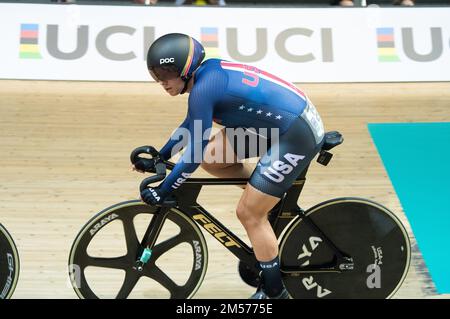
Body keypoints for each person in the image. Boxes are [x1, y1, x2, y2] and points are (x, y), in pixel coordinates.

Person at [136, 33, 325, 299]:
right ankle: (266, 196)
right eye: (157, 75)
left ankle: (274, 292)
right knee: (213, 157)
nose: (162, 82)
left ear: (186, 68)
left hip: (295, 134)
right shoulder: (205, 78)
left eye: (167, 73)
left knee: (248, 213)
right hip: (281, 122)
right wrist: (160, 156)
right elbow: (191, 125)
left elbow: (190, 158)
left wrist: (164, 189)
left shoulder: (203, 89)